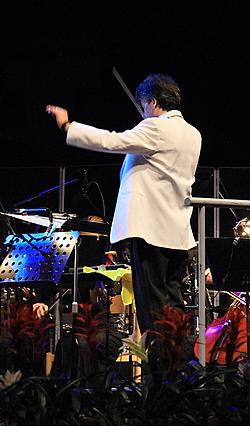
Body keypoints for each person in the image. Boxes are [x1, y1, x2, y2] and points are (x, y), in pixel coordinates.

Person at [46, 74, 201, 373]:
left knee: (153, 309)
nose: (143, 112)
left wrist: (69, 126)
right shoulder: (193, 133)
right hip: (177, 230)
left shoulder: (156, 126)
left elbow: (112, 140)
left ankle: (163, 375)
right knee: (174, 306)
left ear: (153, 102)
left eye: (144, 106)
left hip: (149, 230)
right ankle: (183, 368)